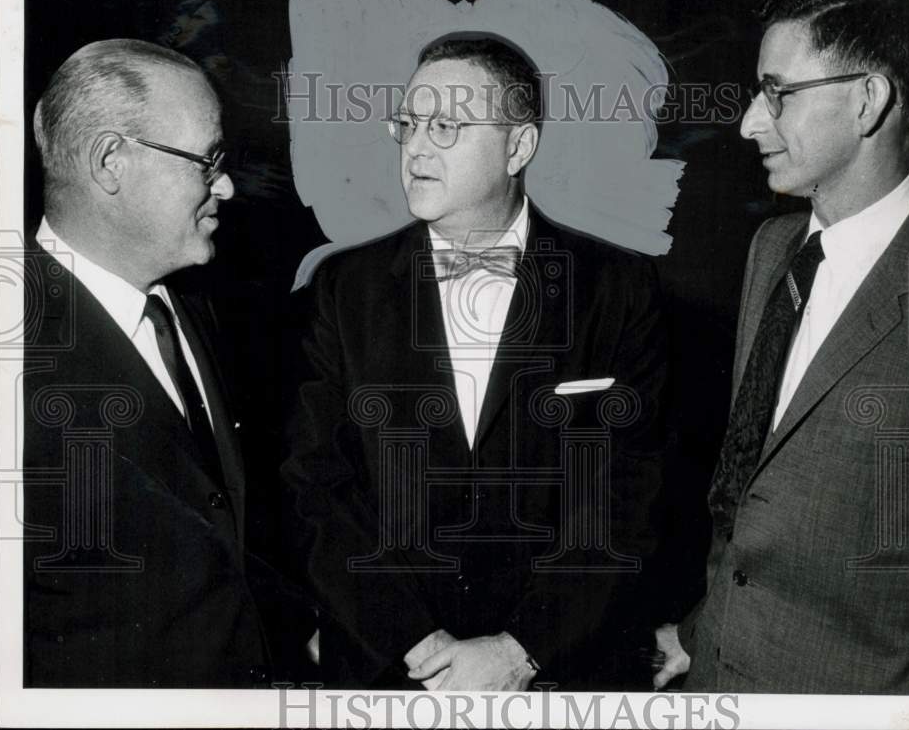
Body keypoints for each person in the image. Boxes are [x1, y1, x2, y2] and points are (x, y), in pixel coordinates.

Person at [282, 34, 670, 690]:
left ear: (519, 147)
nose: (416, 149)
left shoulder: (619, 288)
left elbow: (630, 497)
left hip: (556, 675)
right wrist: (414, 644)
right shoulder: (342, 287)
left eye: (446, 126)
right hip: (389, 673)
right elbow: (313, 486)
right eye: (408, 125)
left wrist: (522, 649)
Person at [652, 0, 909, 694]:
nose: (747, 124)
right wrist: (702, 633)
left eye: (778, 93)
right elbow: (753, 488)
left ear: (868, 100)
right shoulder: (772, 248)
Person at [23, 39, 312, 687]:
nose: (228, 185)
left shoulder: (191, 306)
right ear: (110, 162)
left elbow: (216, 535)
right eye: (207, 162)